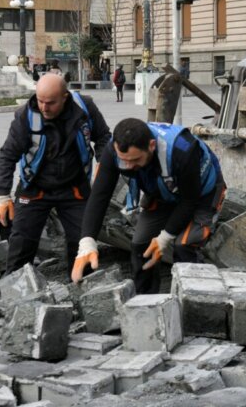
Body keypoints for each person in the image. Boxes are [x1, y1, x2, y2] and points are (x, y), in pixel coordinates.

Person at [72, 118, 226, 294]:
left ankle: (196, 301)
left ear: (152, 145)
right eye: (124, 161)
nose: (128, 166)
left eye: (135, 159)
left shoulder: (183, 150)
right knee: (140, 246)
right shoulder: (114, 150)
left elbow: (189, 201)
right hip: (162, 190)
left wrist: (165, 237)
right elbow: (99, 196)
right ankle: (145, 302)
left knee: (184, 246)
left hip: (202, 193)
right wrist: (87, 241)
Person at [0, 74, 111, 277]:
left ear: (64, 97)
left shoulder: (85, 108)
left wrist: (103, 161)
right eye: (40, 101)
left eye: (50, 103)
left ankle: (81, 289)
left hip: (74, 186)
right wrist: (2, 194)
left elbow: (103, 137)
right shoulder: (25, 116)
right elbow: (7, 155)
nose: (44, 107)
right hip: (35, 187)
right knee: (22, 241)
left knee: (82, 242)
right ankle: (15, 288)